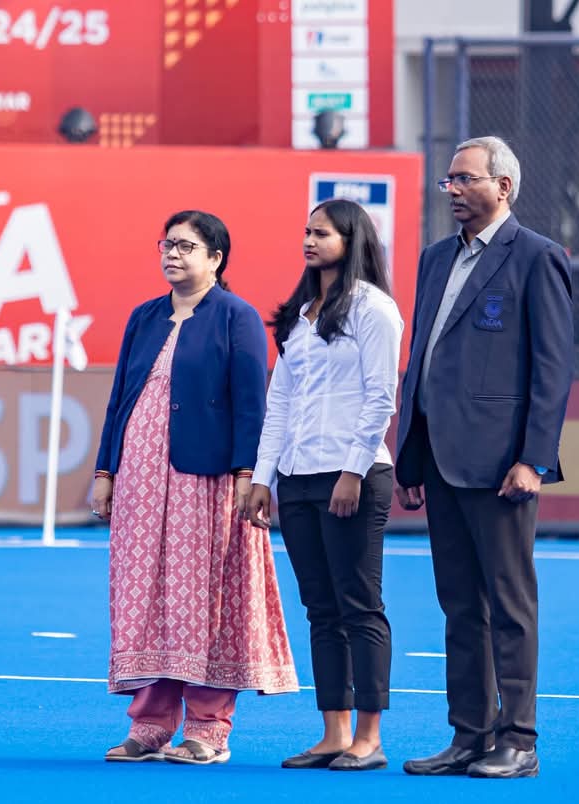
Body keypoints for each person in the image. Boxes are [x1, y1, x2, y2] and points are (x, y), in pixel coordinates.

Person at [395, 136, 574, 779]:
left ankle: (518, 739)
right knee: (459, 607)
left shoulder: (537, 258)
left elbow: (552, 371)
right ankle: (469, 735)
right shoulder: (434, 259)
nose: (453, 191)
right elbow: (422, 362)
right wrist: (410, 457)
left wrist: (534, 458)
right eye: (448, 181)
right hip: (441, 461)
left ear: (503, 186)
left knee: (508, 604)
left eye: (465, 179)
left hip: (502, 468)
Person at [93, 210, 297, 766]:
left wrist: (246, 477)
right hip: (139, 477)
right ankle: (151, 725)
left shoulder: (237, 317)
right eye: (167, 244)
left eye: (186, 246)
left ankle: (208, 728)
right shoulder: (145, 316)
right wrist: (105, 472)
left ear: (216, 258)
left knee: (202, 596)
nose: (172, 254)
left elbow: (253, 402)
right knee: (147, 596)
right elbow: (119, 400)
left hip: (205, 479)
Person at [246, 199, 402, 772]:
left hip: (353, 477)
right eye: (306, 231)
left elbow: (381, 397)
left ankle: (370, 736)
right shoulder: (300, 313)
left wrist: (353, 470)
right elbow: (280, 401)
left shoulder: (374, 309)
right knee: (319, 608)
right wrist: (264, 478)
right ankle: (333, 732)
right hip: (297, 478)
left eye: (322, 233)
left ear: (352, 238)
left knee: (360, 605)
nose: (309, 241)